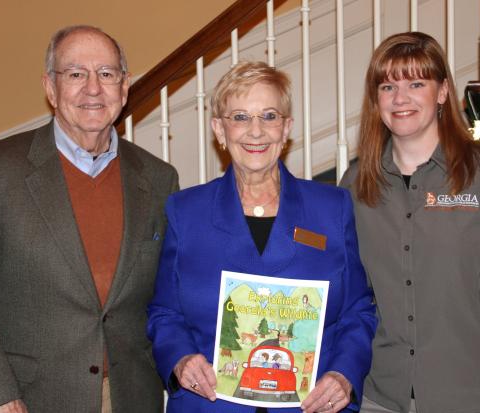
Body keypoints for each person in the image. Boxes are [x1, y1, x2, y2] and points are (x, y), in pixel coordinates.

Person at [0, 25, 178, 413]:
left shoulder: (158, 178)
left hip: (132, 397)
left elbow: (168, 295)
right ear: (50, 89)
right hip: (28, 400)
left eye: (106, 74)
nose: (92, 88)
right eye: (75, 74)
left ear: (124, 87)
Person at [340, 32, 480, 413]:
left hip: (478, 397)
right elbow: (345, 292)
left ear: (442, 92)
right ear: (376, 99)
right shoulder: (356, 183)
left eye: (416, 83)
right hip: (380, 396)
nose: (400, 98)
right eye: (387, 86)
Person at [146, 61, 376, 413]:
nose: (255, 131)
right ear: (219, 131)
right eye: (239, 117)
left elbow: (358, 311)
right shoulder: (186, 211)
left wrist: (345, 374)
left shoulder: (332, 207)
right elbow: (164, 313)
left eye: (269, 116)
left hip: (311, 406)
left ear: (286, 129)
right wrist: (180, 360)